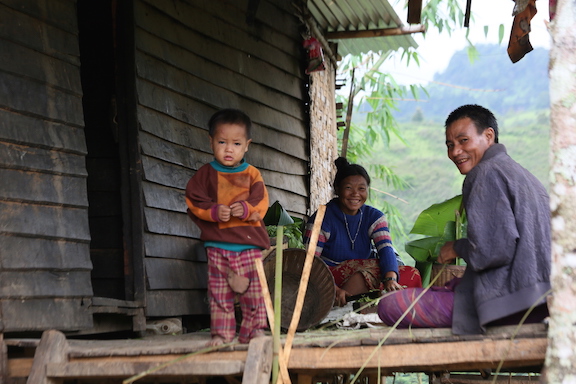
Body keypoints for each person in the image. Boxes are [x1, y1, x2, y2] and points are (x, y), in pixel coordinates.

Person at [378, 104, 551, 334]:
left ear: (488, 136)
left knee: (391, 305)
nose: (455, 151)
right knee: (452, 286)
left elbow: (493, 250)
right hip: (544, 299)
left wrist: (456, 247)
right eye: (450, 145)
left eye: (463, 141)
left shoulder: (484, 172)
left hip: (512, 305)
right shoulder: (524, 176)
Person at [185, 108, 269, 346]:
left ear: (247, 145)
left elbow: (261, 203)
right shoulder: (205, 175)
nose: (228, 148)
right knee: (219, 292)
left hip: (248, 245)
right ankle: (222, 334)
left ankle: (253, 332)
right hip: (217, 245)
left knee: (252, 291)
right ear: (210, 141)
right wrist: (213, 212)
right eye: (222, 142)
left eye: (236, 143)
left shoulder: (252, 174)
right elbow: (193, 201)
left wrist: (246, 209)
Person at [304, 157, 422, 307]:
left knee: (410, 273)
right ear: (337, 188)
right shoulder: (321, 218)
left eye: (361, 188)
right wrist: (333, 289)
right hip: (329, 277)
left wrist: (390, 279)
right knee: (368, 271)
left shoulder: (374, 217)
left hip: (368, 272)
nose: (355, 194)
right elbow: (309, 262)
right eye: (348, 188)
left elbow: (386, 250)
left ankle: (355, 302)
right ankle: (337, 300)